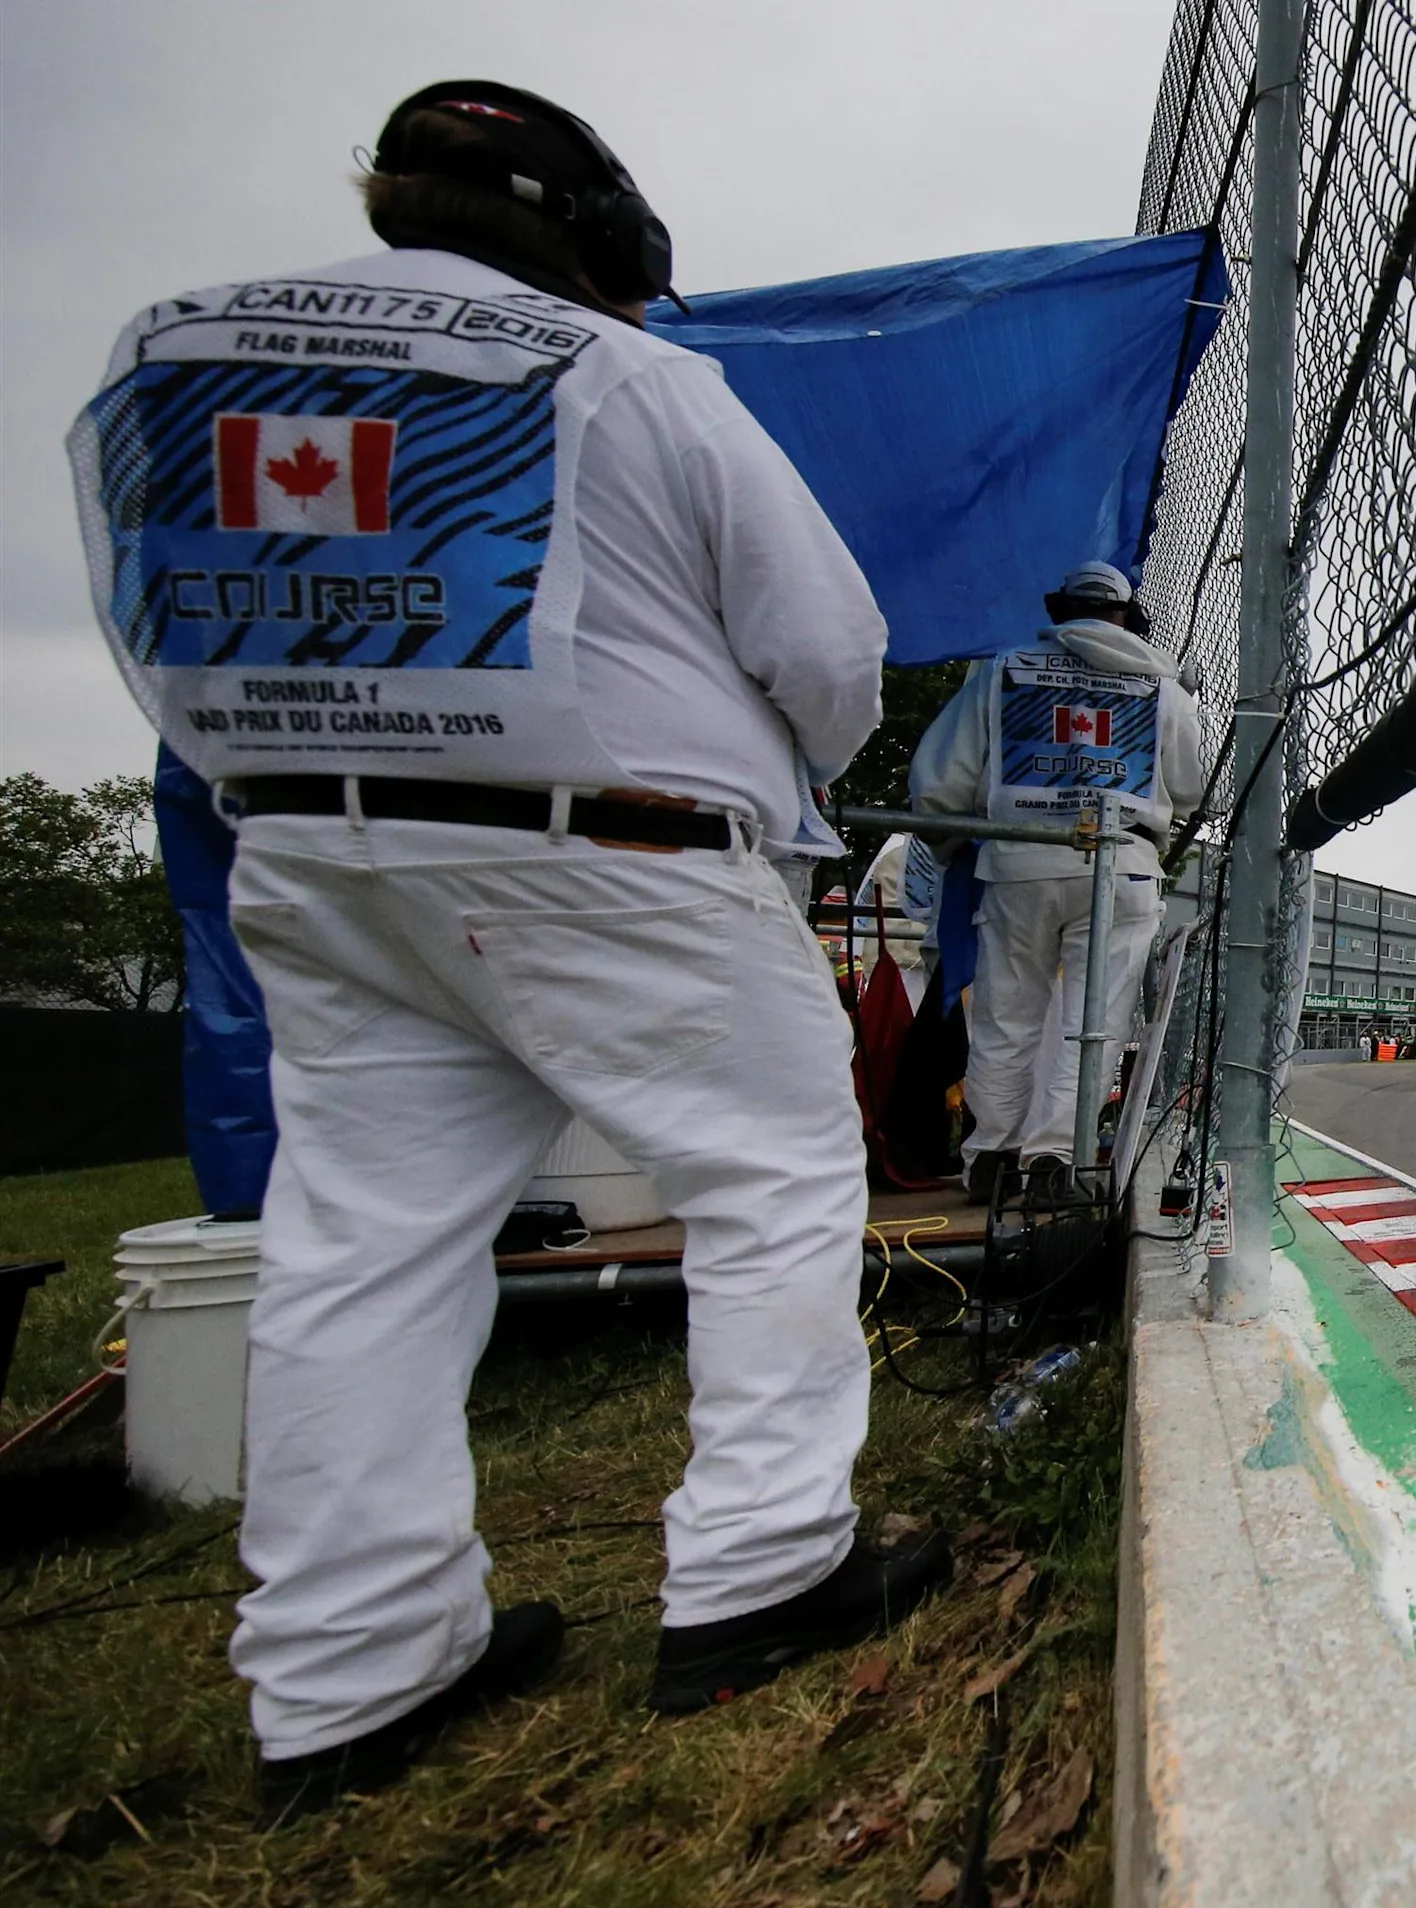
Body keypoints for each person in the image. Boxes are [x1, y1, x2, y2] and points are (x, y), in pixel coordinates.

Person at [64, 80, 946, 1825]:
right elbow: (827, 640)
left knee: (359, 1238)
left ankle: (346, 1668)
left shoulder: (162, 350)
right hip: (610, 843)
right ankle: (761, 1565)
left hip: (316, 843)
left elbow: (135, 605)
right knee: (769, 1177)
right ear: (602, 234)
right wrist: (782, 763)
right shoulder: (623, 373)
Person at [909, 562, 1209, 1205]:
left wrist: (948, 841)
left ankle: (992, 1156)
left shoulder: (1002, 670)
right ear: (1128, 616)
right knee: (1092, 1021)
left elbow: (941, 783)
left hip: (1019, 863)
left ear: (1059, 610)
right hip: (1120, 863)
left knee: (1005, 1015)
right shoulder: (1162, 686)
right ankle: (1054, 1160)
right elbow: (1189, 785)